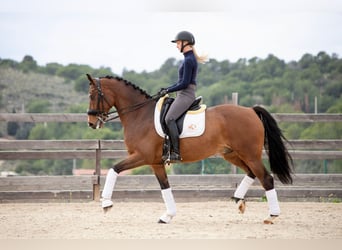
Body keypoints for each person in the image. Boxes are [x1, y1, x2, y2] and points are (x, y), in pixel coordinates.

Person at [158, 31, 207, 162]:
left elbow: (184, 83)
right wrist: (167, 89)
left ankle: (176, 152)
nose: (177, 46)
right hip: (183, 93)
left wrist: (169, 89)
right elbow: (180, 82)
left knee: (169, 118)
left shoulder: (189, 60)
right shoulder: (187, 58)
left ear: (186, 43)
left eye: (178, 43)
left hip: (186, 94)